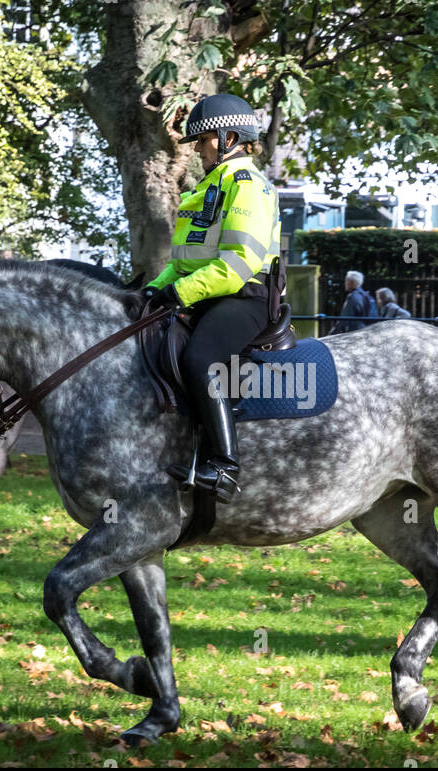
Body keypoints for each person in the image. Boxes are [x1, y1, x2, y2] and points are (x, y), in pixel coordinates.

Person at [146, 93, 282, 503]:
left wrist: (179, 293)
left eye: (202, 141)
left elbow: (239, 263)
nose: (197, 151)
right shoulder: (206, 188)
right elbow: (185, 262)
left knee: (199, 358)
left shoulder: (248, 186)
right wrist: (152, 291)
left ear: (227, 138)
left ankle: (225, 466)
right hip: (208, 293)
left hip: (247, 297)